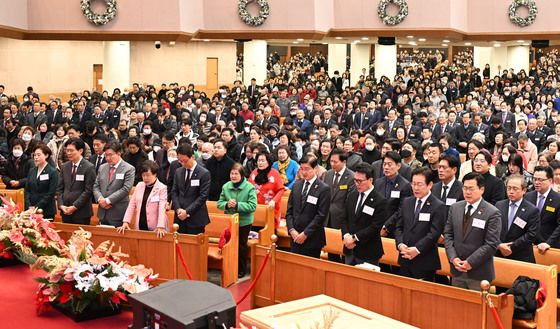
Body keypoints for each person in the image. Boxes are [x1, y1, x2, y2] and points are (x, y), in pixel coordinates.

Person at [444, 172, 502, 291]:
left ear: (481, 189)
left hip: (478, 273)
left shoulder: (492, 212)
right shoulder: (455, 208)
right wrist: (453, 258)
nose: (467, 192)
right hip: (457, 270)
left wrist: (470, 262)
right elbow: (448, 235)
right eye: (465, 188)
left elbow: (491, 244)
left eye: (471, 189)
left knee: (477, 308)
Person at [395, 167, 447, 281]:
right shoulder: (407, 202)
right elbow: (399, 227)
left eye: (420, 184)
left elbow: (434, 233)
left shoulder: (438, 206)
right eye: (413, 184)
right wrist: (400, 245)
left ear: (429, 185)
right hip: (405, 257)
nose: (415, 188)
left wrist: (417, 249)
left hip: (425, 260)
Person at [340, 163, 386, 265]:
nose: (357, 184)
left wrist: (354, 238)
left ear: (370, 180)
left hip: (368, 251)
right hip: (349, 249)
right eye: (355, 180)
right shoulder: (352, 195)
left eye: (360, 181)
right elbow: (344, 218)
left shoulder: (379, 200)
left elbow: (375, 226)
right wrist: (346, 236)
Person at [217, 164, 257, 278]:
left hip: (244, 222)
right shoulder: (226, 186)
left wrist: (238, 205)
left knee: (241, 246)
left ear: (242, 175)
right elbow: (219, 204)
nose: (233, 176)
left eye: (236, 174)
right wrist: (227, 204)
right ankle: (229, 267)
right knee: (229, 244)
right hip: (230, 220)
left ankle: (241, 269)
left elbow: (252, 206)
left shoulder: (249, 187)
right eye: (232, 173)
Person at [286, 155, 330, 258]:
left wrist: (305, 234)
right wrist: (291, 230)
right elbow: (289, 211)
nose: (304, 172)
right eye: (301, 169)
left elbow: (321, 215)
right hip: (295, 236)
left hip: (312, 238)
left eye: (307, 169)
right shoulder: (297, 185)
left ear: (315, 169)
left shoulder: (323, 189)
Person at [494, 174, 539, 263]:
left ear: (524, 190)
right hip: (499, 253)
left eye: (515, 189)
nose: (511, 191)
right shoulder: (499, 205)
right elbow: (492, 228)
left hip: (521, 255)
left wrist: (512, 246)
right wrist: (499, 245)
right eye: (509, 188)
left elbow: (531, 235)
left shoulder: (532, 210)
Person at [118, 161, 168, 238]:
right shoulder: (139, 185)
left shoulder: (162, 188)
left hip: (156, 228)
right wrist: (126, 222)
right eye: (143, 175)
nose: (145, 178)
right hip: (140, 226)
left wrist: (160, 226)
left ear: (155, 174)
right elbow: (131, 205)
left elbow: (162, 208)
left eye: (148, 175)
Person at [93, 141, 135, 227]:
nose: (108, 158)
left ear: (118, 153)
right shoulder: (102, 167)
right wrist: (100, 199)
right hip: (102, 212)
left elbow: (125, 189)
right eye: (106, 155)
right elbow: (96, 186)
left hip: (118, 213)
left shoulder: (129, 169)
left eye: (110, 155)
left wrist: (108, 201)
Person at [171, 143, 211, 234]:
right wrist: (178, 209)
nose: (182, 164)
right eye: (180, 161)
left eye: (185, 161)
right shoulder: (178, 171)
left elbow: (203, 196)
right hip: (179, 217)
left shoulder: (204, 173)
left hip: (196, 218)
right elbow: (174, 192)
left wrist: (187, 211)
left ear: (192, 157)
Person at [324, 148, 355, 263]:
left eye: (335, 162)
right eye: (331, 161)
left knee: (344, 251)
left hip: (342, 219)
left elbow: (349, 202)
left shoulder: (351, 177)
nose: (332, 164)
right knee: (331, 251)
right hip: (327, 217)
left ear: (344, 162)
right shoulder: (327, 174)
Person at [56, 138, 96, 225]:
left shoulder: (89, 167)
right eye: (67, 150)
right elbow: (59, 188)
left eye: (71, 150)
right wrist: (61, 205)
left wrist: (74, 207)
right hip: (65, 210)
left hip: (81, 212)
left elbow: (88, 191)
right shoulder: (65, 166)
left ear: (80, 151)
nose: (68, 153)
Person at [376, 151, 412, 237]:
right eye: (384, 164)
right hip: (377, 226)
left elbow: (401, 210)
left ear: (398, 166)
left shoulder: (405, 185)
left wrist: (386, 227)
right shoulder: (378, 182)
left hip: (394, 229)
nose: (386, 167)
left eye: (389, 164)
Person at [524, 166, 560, 253]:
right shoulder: (528, 196)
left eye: (540, 180)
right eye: (535, 179)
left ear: (550, 181)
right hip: (528, 244)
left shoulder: (557, 199)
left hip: (549, 246)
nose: (536, 182)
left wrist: (548, 243)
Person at [248, 152, 284, 227]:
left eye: (263, 160)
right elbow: (248, 187)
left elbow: (281, 190)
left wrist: (274, 201)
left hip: (270, 207)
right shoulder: (254, 173)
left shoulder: (275, 173)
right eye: (258, 160)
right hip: (256, 208)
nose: (260, 163)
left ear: (268, 161)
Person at [24, 144, 58, 219]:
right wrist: (29, 206)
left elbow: (51, 193)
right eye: (34, 155)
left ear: (46, 155)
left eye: (38, 155)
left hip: (45, 210)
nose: (36, 157)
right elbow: (27, 190)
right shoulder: (32, 170)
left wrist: (36, 207)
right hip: (30, 209)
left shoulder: (52, 172)